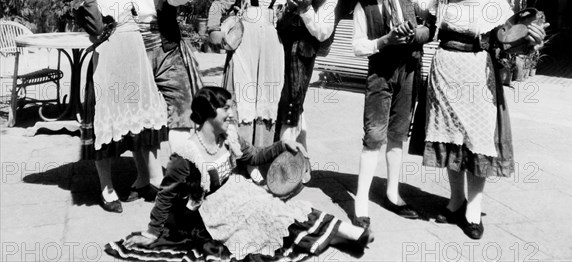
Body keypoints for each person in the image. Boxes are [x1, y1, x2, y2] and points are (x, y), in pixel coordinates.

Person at [105, 87, 374, 262]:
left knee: (279, 208)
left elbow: (254, 156)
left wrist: (283, 145)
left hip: (236, 193)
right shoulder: (187, 154)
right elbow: (166, 194)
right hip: (206, 212)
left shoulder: (229, 136)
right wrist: (153, 232)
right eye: (227, 110)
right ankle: (346, 235)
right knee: (264, 214)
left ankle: (349, 233)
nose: (232, 115)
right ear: (209, 114)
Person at [422, 0, 546, 239]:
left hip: (478, 75)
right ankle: (455, 201)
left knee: (477, 140)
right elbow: (427, 28)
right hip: (443, 72)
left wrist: (531, 38)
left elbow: (509, 40)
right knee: (450, 138)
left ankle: (473, 210)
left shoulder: (495, 2)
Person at [66, 0, 169, 213]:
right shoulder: (81, 1)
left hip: (134, 61)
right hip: (109, 66)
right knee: (106, 127)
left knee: (138, 122)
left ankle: (144, 179)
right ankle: (107, 188)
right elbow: (97, 30)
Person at [351, 0, 431, 228]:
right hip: (381, 74)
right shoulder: (364, 6)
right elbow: (359, 46)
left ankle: (392, 193)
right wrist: (385, 40)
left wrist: (420, 30)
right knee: (374, 135)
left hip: (408, 71)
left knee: (397, 134)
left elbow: (434, 9)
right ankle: (361, 201)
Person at [114, 0, 195, 170]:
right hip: (129, 46)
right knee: (135, 111)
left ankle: (182, 173)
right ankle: (144, 177)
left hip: (165, 46)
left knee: (182, 108)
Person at [207, 0, 286, 148]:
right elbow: (218, 5)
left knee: (266, 95)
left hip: (271, 48)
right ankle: (239, 151)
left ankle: (259, 153)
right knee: (243, 94)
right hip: (245, 46)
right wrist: (214, 30)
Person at [274, 0, 338, 149]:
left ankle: (286, 158)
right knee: (286, 100)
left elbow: (323, 32)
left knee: (293, 100)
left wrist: (305, 10)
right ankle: (300, 154)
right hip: (279, 48)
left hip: (302, 54)